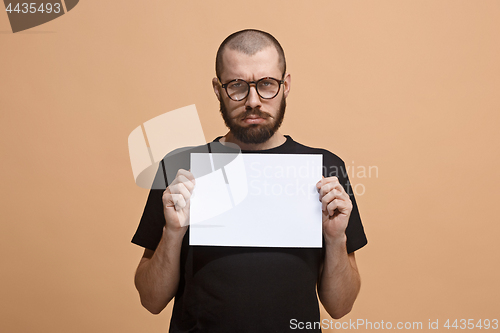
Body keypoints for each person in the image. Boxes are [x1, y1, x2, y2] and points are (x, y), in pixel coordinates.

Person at [132, 29, 367, 332]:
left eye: (267, 84)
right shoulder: (180, 168)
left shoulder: (325, 168)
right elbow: (151, 300)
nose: (253, 101)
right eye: (238, 86)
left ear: (286, 86)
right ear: (218, 89)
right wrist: (173, 233)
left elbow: (340, 306)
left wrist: (336, 239)